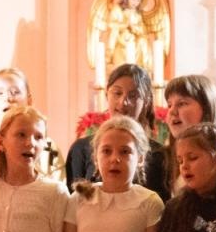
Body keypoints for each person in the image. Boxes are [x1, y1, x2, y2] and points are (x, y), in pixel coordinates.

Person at [64, 62, 168, 199]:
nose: (123, 102)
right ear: (107, 94)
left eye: (133, 95)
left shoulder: (159, 154)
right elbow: (73, 202)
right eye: (117, 93)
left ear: (147, 100)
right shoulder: (81, 149)